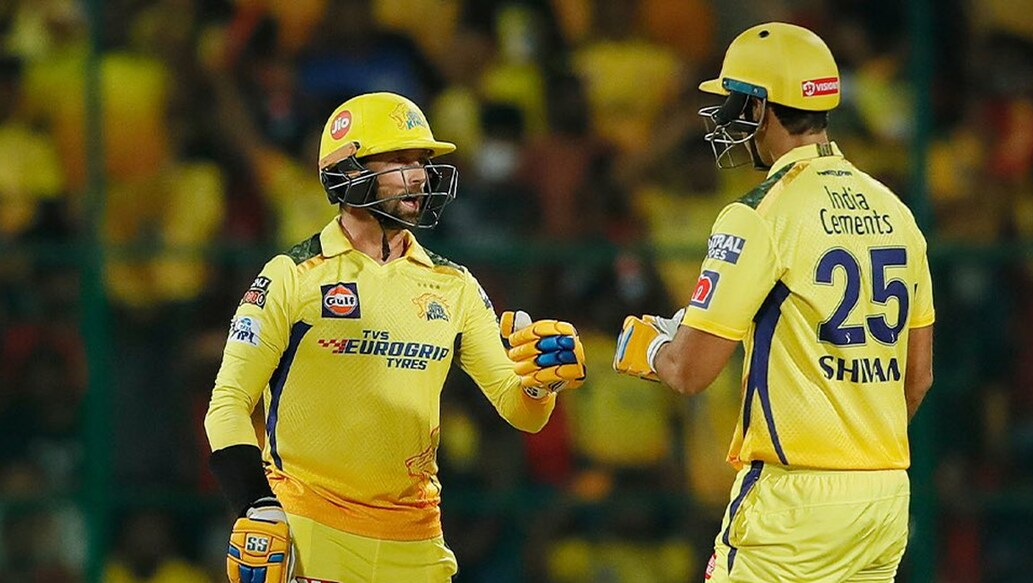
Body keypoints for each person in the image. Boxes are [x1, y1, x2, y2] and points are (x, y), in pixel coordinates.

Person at [205, 92, 586, 583]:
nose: (419, 176)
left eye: (422, 162)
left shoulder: (455, 286)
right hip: (309, 534)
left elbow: (520, 410)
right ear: (349, 170)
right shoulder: (292, 276)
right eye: (401, 160)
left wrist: (541, 379)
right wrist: (256, 507)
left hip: (417, 546)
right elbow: (229, 402)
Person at [613, 22, 935, 582]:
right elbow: (919, 377)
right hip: (884, 494)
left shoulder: (760, 213)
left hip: (793, 504)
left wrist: (650, 350)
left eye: (736, 102)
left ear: (762, 108)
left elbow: (689, 372)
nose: (728, 119)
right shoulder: (896, 211)